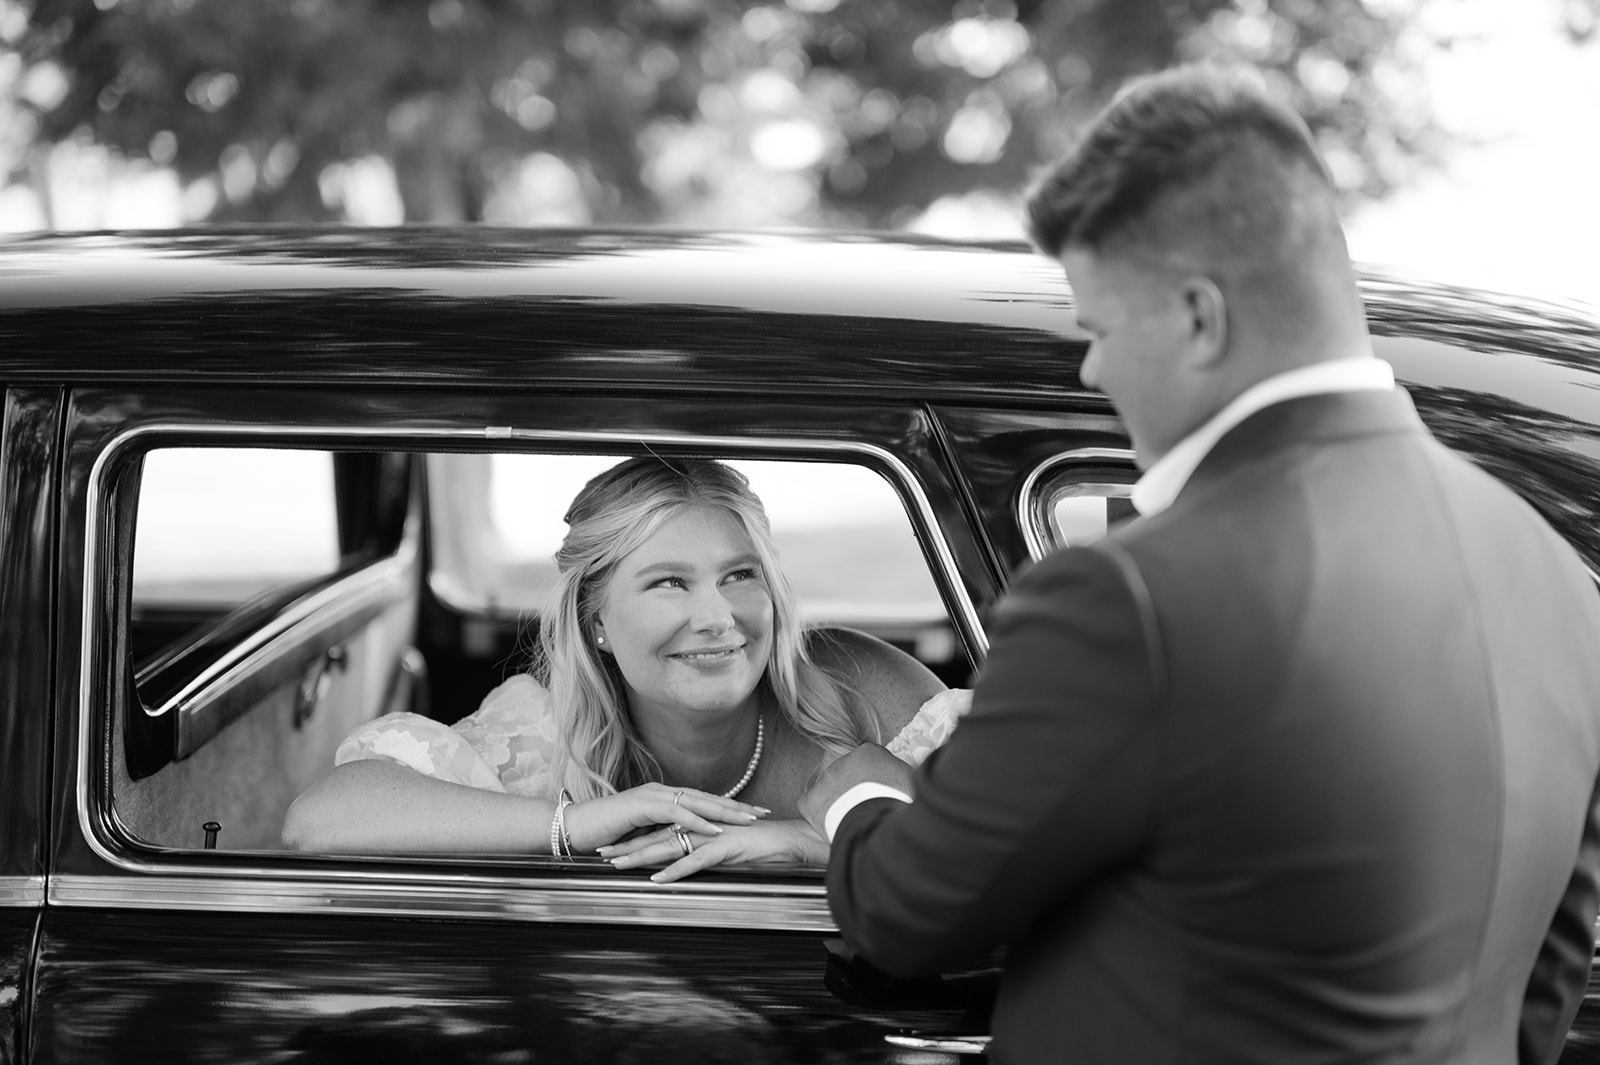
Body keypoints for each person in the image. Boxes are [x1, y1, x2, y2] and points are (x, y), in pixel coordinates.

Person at [799, 64, 1600, 1065]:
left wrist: (857, 791)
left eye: (1096, 328)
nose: (1091, 369)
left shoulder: (1126, 598)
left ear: (1195, 317)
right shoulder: (1551, 570)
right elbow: (1549, 966)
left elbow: (911, 913)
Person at [283, 456, 968, 882]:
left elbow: (1028, 843)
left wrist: (813, 840)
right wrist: (576, 826)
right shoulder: (545, 725)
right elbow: (320, 821)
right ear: (597, 620)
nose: (718, 617)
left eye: (740, 575)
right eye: (670, 582)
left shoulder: (863, 690)